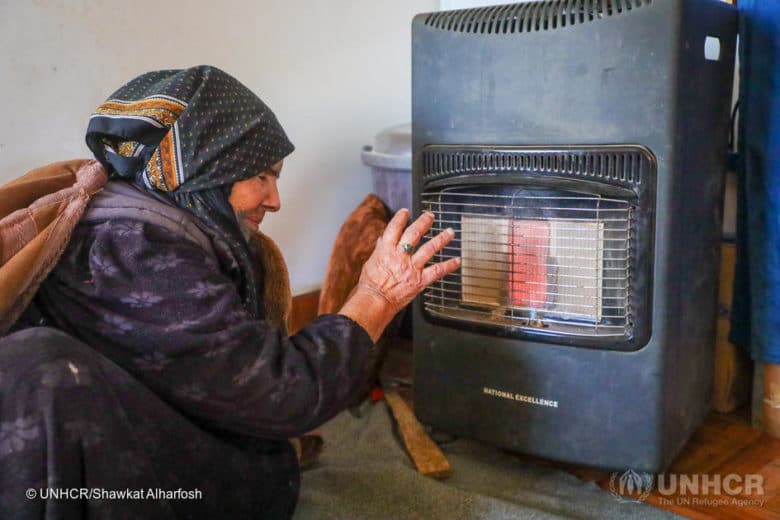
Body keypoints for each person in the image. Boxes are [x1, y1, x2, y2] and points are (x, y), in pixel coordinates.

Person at [0, 65, 459, 518]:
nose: (275, 199)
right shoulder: (135, 251)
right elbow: (284, 394)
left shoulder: (128, 222)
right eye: (261, 175)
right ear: (208, 164)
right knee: (43, 367)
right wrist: (376, 295)